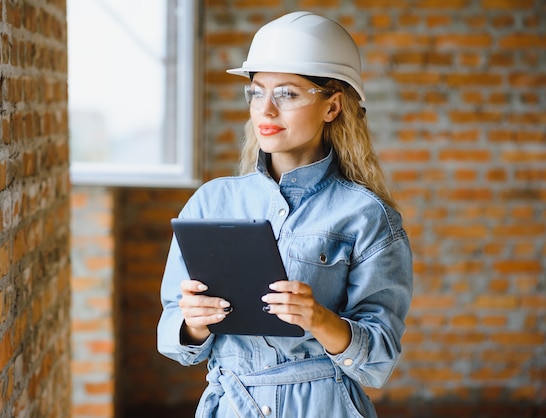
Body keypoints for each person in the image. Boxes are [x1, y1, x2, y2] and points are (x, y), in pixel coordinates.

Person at [157, 11, 413, 418]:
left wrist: (318, 318)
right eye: (257, 92)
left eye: (288, 94)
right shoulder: (211, 202)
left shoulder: (366, 215)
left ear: (332, 107)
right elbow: (173, 336)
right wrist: (194, 323)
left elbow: (379, 360)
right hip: (231, 404)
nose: (266, 111)